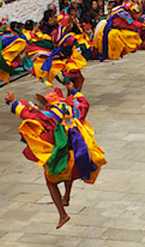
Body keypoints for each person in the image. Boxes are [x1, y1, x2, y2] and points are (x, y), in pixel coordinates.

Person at [6, 86, 106, 229]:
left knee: (51, 182)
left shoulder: (50, 115)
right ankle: (67, 196)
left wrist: (14, 102)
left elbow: (31, 115)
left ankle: (62, 214)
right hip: (80, 156)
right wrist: (73, 90)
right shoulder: (74, 110)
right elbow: (84, 102)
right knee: (68, 175)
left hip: (64, 158)